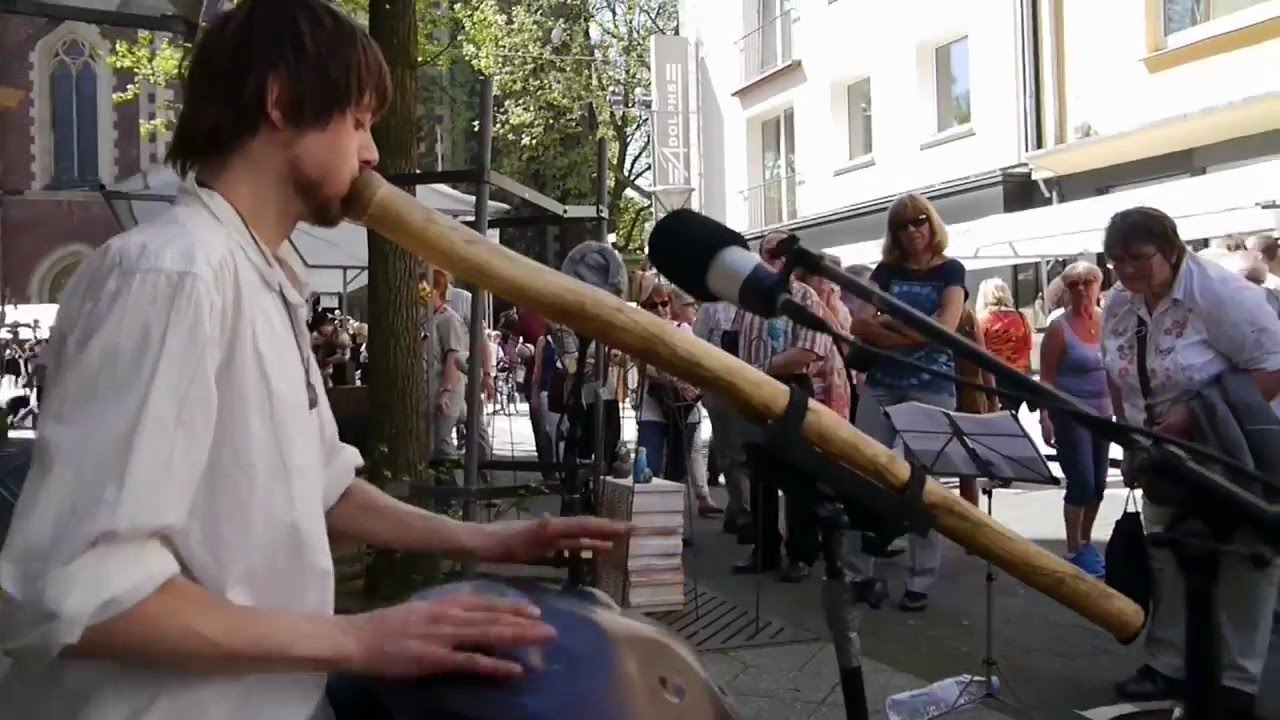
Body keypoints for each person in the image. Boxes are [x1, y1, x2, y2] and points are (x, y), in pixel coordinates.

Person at [0, 3, 629, 718]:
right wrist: (356, 641)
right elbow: (79, 594)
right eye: (359, 121)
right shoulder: (173, 279)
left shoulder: (265, 281)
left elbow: (322, 486)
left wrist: (490, 539)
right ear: (282, 101)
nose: (373, 155)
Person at [1102, 207, 1280, 718]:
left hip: (1233, 447)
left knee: (1245, 558)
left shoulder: (1220, 294)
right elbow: (1117, 373)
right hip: (1161, 449)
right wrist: (1131, 441)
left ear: (1172, 250)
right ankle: (1168, 666)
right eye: (1117, 261)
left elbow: (1273, 365)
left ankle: (1238, 681)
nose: (1127, 271)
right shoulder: (1120, 299)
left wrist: (1194, 416)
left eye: (1139, 258)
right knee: (1164, 553)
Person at [846, 192, 966, 612]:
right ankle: (858, 573)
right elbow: (860, 322)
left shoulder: (951, 270)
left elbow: (946, 329)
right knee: (863, 472)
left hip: (932, 386)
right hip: (882, 382)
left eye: (919, 221)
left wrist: (892, 330)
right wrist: (917, 333)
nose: (913, 230)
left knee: (920, 484)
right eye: (903, 224)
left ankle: (919, 580)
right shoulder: (887, 270)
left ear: (932, 223)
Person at [1036, 261, 1110, 577]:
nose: (1082, 289)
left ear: (1098, 286)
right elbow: (1046, 378)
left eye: (1088, 282)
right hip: (1070, 412)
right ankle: (1073, 547)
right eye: (1075, 284)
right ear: (1067, 290)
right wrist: (1045, 417)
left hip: (1104, 414)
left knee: (1100, 485)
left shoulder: (1107, 322)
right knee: (1081, 482)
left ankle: (1086, 540)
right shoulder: (1058, 328)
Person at [975, 277, 1032, 413]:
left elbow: (977, 350)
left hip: (993, 377)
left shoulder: (982, 320)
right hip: (1018, 379)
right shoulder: (1021, 318)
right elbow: (1027, 347)